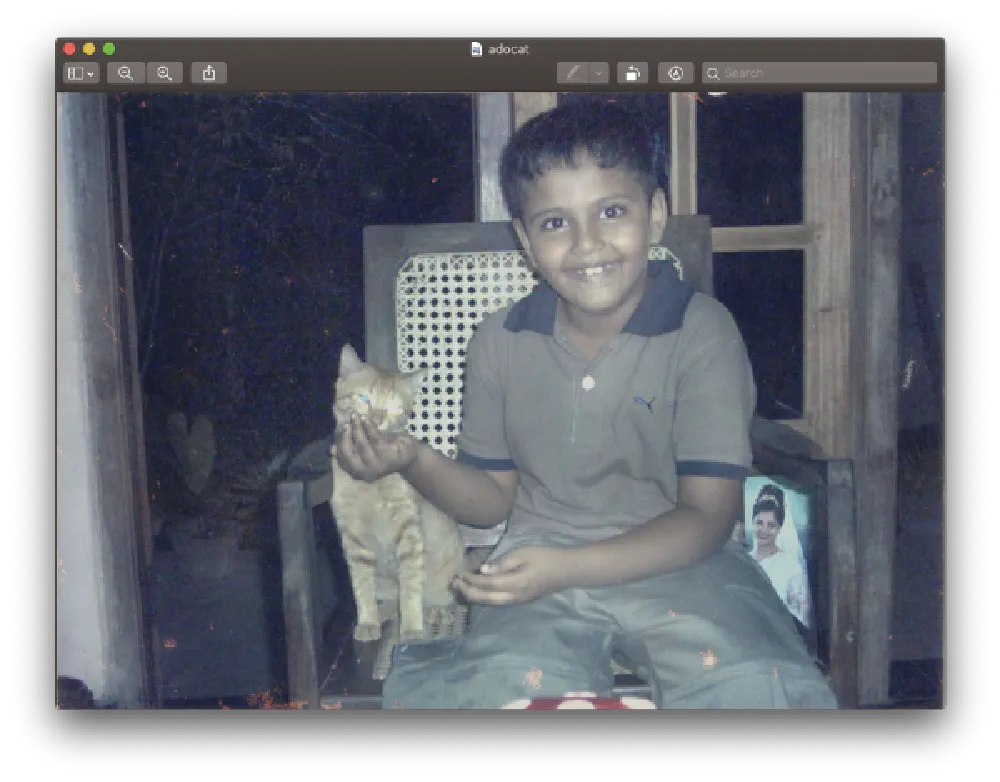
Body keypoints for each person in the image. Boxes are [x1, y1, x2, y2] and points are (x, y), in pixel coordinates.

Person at [335, 102, 837, 709]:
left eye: (611, 212)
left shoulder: (703, 330)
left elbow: (707, 518)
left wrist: (566, 567)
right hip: (536, 572)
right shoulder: (500, 340)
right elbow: (491, 498)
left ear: (654, 216)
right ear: (524, 239)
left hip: (687, 566)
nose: (586, 244)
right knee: (505, 687)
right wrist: (410, 457)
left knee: (755, 680)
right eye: (554, 223)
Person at [750, 485, 811, 627]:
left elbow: (803, 617)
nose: (763, 530)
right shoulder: (743, 561)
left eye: (771, 525)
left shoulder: (791, 568)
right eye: (759, 523)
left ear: (779, 528)